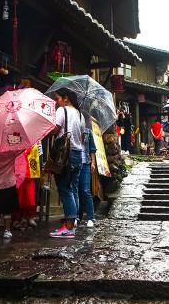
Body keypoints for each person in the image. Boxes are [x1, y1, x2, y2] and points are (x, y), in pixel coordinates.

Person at [50, 88, 85, 239]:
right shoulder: (80, 114)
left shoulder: (62, 111)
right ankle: (73, 223)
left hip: (65, 156)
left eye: (57, 99)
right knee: (72, 188)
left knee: (65, 189)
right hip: (78, 154)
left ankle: (69, 227)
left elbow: (55, 129)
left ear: (65, 98)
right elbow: (83, 138)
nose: (56, 102)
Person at [77, 126, 97, 227]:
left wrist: (93, 163)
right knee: (76, 190)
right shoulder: (73, 129)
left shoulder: (88, 132)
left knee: (85, 190)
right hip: (75, 163)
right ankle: (77, 216)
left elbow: (92, 149)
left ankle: (91, 217)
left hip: (85, 163)